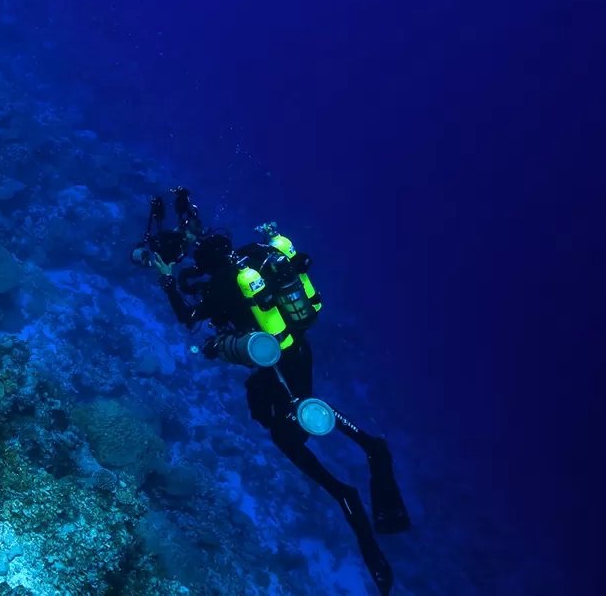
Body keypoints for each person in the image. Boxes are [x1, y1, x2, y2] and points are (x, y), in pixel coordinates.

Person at [135, 188, 410, 596]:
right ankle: (366, 450)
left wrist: (166, 282)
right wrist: (183, 213)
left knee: (288, 430)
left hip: (279, 363)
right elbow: (204, 240)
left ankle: (355, 483)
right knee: (267, 406)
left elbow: (188, 317)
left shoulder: (223, 288)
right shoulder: (250, 257)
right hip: (297, 349)